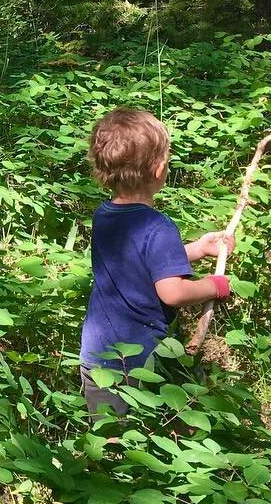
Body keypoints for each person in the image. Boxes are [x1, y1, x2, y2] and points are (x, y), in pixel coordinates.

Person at [80, 109, 235, 417]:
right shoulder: (158, 226)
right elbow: (172, 292)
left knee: (107, 429)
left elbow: (137, 263)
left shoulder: (104, 215)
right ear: (160, 169)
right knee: (159, 420)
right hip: (139, 360)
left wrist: (197, 249)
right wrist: (213, 286)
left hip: (96, 353)